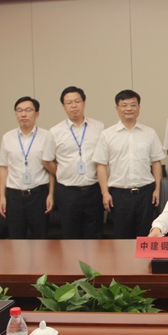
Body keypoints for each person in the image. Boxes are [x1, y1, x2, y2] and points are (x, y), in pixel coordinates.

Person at [94, 89, 164, 239]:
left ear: (139, 107)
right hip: (119, 195)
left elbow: (156, 162)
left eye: (133, 104)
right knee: (122, 238)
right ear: (117, 108)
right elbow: (101, 165)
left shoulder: (149, 133)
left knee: (146, 238)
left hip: (145, 193)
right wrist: (105, 193)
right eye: (124, 105)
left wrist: (158, 189)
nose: (129, 108)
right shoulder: (107, 135)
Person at [43, 86, 105, 239]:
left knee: (94, 234)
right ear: (63, 106)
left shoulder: (98, 127)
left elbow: (104, 158)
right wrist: (62, 172)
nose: (73, 105)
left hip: (93, 189)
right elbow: (47, 160)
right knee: (71, 235)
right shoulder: (55, 132)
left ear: (84, 103)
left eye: (77, 101)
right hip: (68, 192)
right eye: (69, 102)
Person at [0, 96, 56, 239]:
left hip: (38, 194)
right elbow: (3, 168)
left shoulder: (47, 136)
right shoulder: (7, 137)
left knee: (40, 238)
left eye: (28, 110)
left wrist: (51, 194)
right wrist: (1, 197)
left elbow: (50, 167)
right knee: (16, 239)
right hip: (14, 196)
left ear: (37, 114)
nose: (23, 114)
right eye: (19, 110)